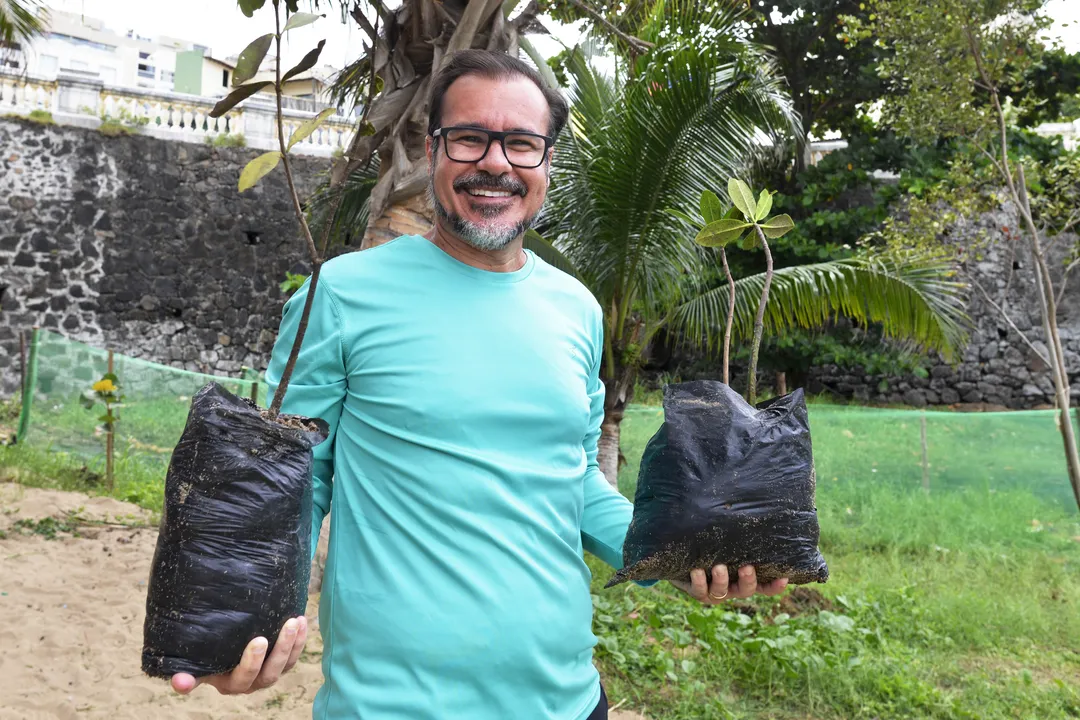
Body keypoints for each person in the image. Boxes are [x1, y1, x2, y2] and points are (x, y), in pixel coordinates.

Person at [170, 49, 788, 718]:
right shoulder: (343, 295)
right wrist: (245, 621)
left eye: (522, 143)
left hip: (568, 701)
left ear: (548, 161)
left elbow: (575, 482)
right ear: (433, 150)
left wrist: (678, 550)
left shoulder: (574, 308)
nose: (496, 162)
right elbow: (293, 481)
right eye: (470, 137)